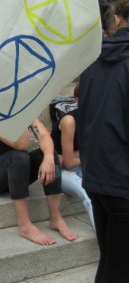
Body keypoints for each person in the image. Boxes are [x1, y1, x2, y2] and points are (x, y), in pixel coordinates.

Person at [77, 0, 129, 283]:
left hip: (97, 180)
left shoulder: (93, 61)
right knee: (117, 281)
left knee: (109, 267)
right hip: (123, 185)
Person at [0, 118, 78, 246]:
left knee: (50, 155)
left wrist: (49, 157)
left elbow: (44, 136)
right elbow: (21, 144)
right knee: (19, 156)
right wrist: (21, 115)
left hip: (14, 172)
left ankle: (56, 218)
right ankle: (24, 225)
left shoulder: (24, 110)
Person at [50, 86, 95, 230]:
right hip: (61, 170)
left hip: (86, 165)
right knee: (89, 194)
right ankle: (106, 241)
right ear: (77, 100)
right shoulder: (69, 121)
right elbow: (68, 162)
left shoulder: (99, 118)